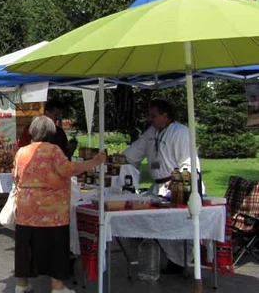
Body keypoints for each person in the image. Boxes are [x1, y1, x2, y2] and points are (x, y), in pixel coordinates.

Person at [13, 116, 106, 293]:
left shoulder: (21, 152)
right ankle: (57, 287)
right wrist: (95, 161)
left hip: (26, 210)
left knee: (25, 248)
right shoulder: (54, 150)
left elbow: (16, 176)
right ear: (51, 132)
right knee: (55, 248)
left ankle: (21, 285)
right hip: (52, 212)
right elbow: (69, 170)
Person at [123, 99, 204, 274]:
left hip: (179, 187)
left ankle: (182, 260)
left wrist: (178, 180)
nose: (149, 119)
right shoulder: (151, 133)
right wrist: (113, 160)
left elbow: (189, 162)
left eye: (153, 115)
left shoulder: (181, 133)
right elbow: (132, 154)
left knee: (177, 225)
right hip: (157, 189)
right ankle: (174, 259)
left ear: (165, 116)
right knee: (153, 221)